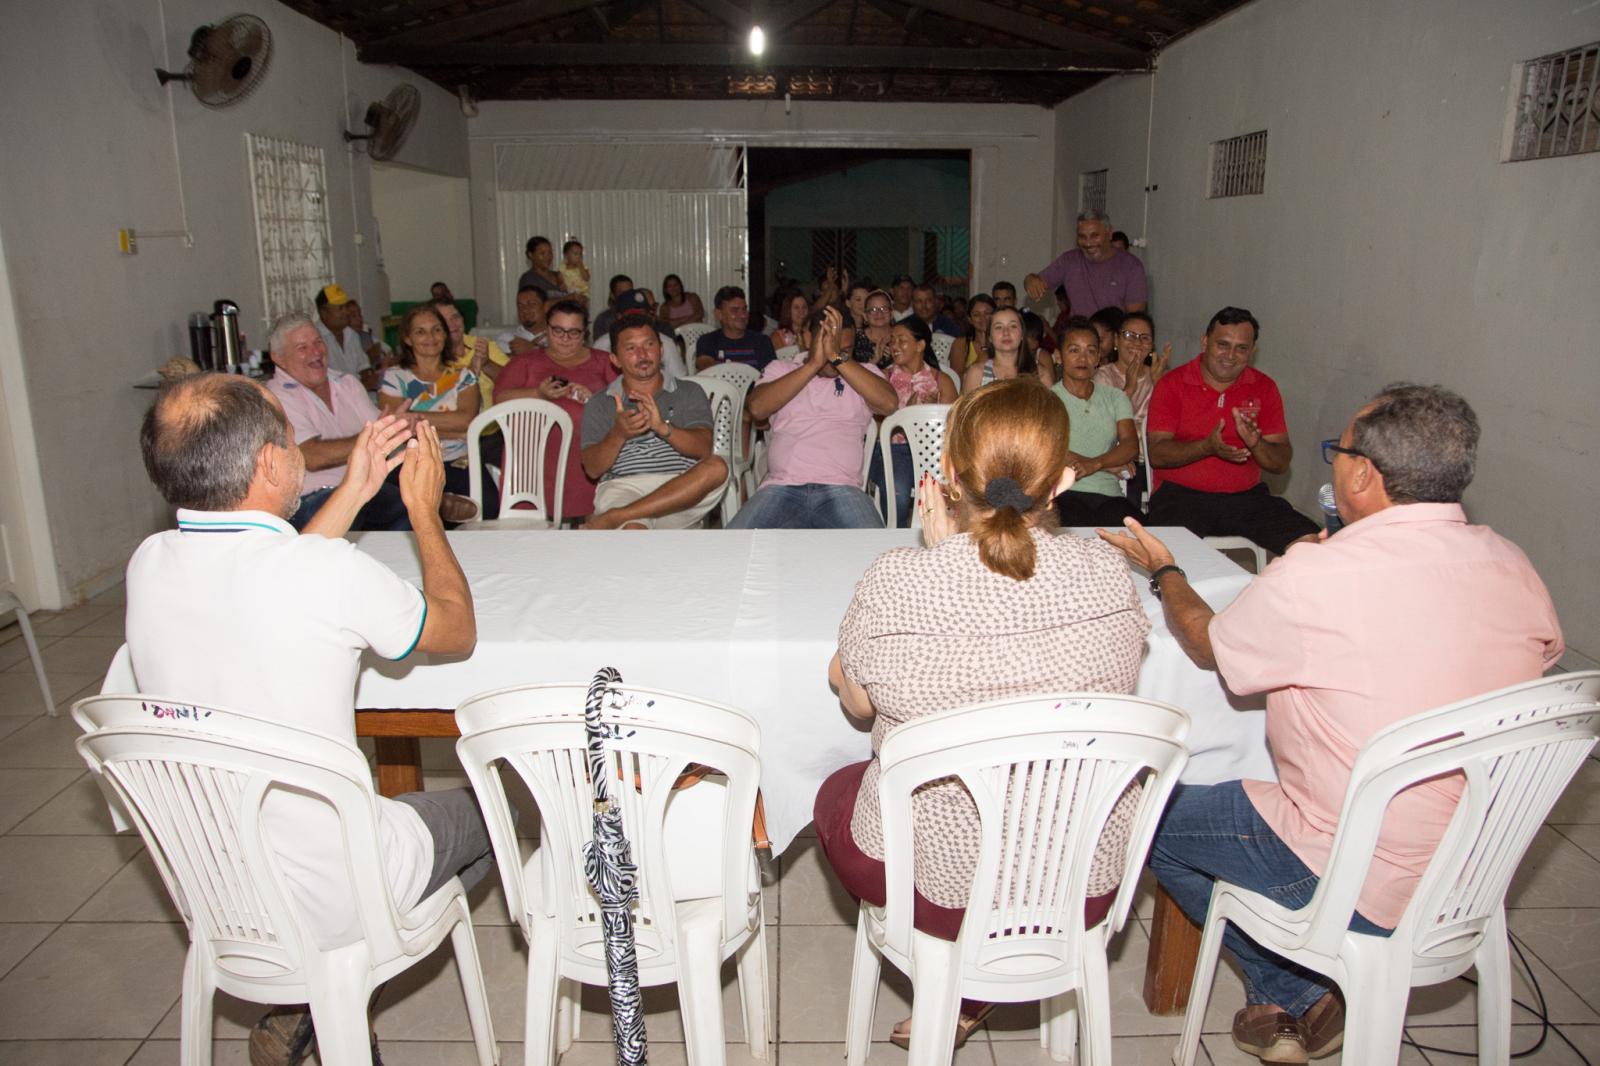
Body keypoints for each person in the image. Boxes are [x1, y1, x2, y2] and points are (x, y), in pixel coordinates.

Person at [1099, 383, 1563, 1064]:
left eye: (1339, 451)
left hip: (1348, 870)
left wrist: (1165, 569)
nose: (1334, 464)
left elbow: (1209, 645)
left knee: (1140, 814)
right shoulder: (1512, 563)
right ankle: (1303, 992)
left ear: (1365, 475)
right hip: (1472, 867)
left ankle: (1282, 984)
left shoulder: (1319, 576)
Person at [129, 373, 493, 1065]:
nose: (301, 451)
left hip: (220, 882)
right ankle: (333, 1006)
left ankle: (307, 1009)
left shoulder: (150, 566)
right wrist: (422, 510)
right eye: (290, 438)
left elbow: (274, 571)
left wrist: (354, 488)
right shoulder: (327, 578)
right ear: (269, 463)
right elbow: (456, 631)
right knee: (497, 809)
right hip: (337, 887)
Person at [817, 377, 1152, 1050]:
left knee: (834, 788)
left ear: (947, 474)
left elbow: (856, 703)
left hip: (937, 878)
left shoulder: (899, 579)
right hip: (1079, 874)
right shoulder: (1110, 575)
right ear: (1060, 481)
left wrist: (940, 555)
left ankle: (957, 984)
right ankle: (976, 990)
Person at [1145, 307, 1320, 555]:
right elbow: (1157, 454)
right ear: (1205, 342)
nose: (1230, 355)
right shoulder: (1172, 383)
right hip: (1180, 497)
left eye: (1241, 348)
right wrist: (1208, 447)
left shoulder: (1264, 387)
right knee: (1165, 555)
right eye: (1223, 344)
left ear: (1253, 351)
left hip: (1245, 497)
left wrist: (1256, 443)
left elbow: (1280, 463)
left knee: (1310, 542)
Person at [728, 307, 897, 529]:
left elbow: (889, 404)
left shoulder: (863, 372)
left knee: (878, 557)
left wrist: (837, 356)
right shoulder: (781, 369)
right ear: (809, 338)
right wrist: (813, 365)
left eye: (844, 350)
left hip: (842, 489)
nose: (833, 358)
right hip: (781, 487)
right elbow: (757, 408)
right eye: (828, 346)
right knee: (730, 551)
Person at [265, 313, 410, 531]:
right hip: (309, 500)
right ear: (279, 358)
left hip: (361, 487)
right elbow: (312, 456)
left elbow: (384, 435)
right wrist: (377, 435)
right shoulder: (274, 396)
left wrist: (403, 429)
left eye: (318, 342)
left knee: (410, 501)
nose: (315, 352)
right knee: (352, 505)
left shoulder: (347, 382)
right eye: (302, 348)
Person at [581, 316, 727, 529]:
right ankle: (628, 516)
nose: (642, 355)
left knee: (717, 467)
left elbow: (704, 448)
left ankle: (616, 517)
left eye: (649, 345)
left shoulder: (688, 391)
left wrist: (663, 428)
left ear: (661, 350)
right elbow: (592, 469)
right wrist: (619, 434)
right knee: (634, 531)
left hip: (681, 490)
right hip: (625, 487)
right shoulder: (601, 401)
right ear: (615, 359)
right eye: (631, 348)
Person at [493, 299, 617, 523]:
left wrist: (594, 401)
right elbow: (499, 401)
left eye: (574, 333)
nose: (565, 339)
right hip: (534, 461)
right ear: (547, 329)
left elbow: (624, 404)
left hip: (587, 459)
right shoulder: (525, 362)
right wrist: (537, 394)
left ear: (585, 333)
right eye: (558, 331)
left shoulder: (603, 362)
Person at [379, 304, 493, 519]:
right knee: (402, 507)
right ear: (407, 338)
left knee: (489, 507)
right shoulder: (394, 378)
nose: (430, 337)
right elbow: (397, 426)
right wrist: (454, 430)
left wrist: (414, 418)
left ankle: (443, 505)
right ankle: (441, 505)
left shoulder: (463, 377)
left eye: (436, 329)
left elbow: (467, 422)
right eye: (420, 331)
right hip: (412, 462)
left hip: (458, 462)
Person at [1050, 317, 1140, 527]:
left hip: (1109, 494)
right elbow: (1049, 450)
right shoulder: (1047, 399)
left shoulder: (1115, 397)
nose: (1083, 358)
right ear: (1058, 356)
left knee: (1139, 532)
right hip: (1063, 493)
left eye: (1091, 351)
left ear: (1099, 357)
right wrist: (1108, 465)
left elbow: (1130, 445)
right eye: (1074, 350)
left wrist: (1095, 464)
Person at [867, 315, 957, 526]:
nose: (894, 346)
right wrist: (906, 414)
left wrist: (933, 414)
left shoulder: (940, 380)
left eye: (901, 340)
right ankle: (895, 537)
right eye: (892, 340)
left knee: (946, 491)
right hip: (893, 450)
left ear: (920, 345)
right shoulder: (884, 377)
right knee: (898, 491)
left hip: (934, 452)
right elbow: (874, 426)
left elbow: (954, 426)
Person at [1095, 310, 1172, 506]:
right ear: (1116, 340)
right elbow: (1101, 422)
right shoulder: (1103, 376)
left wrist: (1159, 385)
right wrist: (1128, 388)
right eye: (1129, 335)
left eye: (1144, 338)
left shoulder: (1159, 376)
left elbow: (1171, 421)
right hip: (1115, 457)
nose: (1137, 343)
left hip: (1151, 458)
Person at [1024, 210, 1149, 317]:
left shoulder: (1131, 267)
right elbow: (1037, 281)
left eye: (1094, 236)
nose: (1088, 243)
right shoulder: (1069, 261)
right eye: (1082, 237)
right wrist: (1030, 280)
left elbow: (1134, 321)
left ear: (1109, 233)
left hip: (1114, 342)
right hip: (1079, 340)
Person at [592, 290, 689, 379]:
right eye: (631, 315)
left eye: (641, 314)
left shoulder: (665, 342)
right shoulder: (602, 345)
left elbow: (679, 379)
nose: (636, 320)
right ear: (619, 316)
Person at [434, 297, 508, 413]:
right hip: (454, 428)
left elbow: (514, 381)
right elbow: (437, 403)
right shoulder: (430, 356)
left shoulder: (482, 345)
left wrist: (487, 364)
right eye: (443, 320)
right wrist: (471, 373)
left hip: (493, 426)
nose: (452, 324)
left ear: (463, 319)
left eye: (455, 317)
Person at [960, 306, 1054, 391]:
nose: (1006, 332)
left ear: (1022, 334)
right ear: (990, 337)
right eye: (998, 327)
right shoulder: (977, 374)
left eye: (1013, 326)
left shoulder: (1040, 375)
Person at [694, 286, 777, 372]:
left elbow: (772, 375)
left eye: (744, 310)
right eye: (735, 311)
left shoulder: (762, 341)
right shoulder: (707, 341)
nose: (743, 315)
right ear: (719, 314)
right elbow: (707, 370)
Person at [312, 284, 378, 383]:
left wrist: (370, 375)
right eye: (340, 308)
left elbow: (363, 367)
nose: (346, 312)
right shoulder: (314, 340)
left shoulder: (352, 335)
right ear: (323, 313)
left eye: (346, 307)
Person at [948, 293, 994, 376]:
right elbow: (957, 381)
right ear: (970, 319)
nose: (983, 318)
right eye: (977, 315)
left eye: (987, 313)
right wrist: (979, 359)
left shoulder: (1003, 342)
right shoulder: (961, 344)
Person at [517, 236, 571, 306]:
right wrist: (567, 299)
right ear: (531, 255)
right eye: (542, 253)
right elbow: (535, 307)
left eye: (550, 253)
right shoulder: (529, 279)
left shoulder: (560, 275)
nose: (548, 257)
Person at [498, 284, 550, 356]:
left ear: (546, 307)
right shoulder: (508, 339)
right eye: (520, 306)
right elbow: (506, 365)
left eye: (531, 304)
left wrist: (534, 349)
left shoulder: (560, 336)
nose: (524, 310)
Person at [852, 288, 896, 365]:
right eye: (873, 310)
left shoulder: (902, 337)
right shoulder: (854, 340)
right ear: (865, 316)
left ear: (891, 313)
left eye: (884, 309)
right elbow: (839, 363)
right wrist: (874, 361)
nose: (879, 313)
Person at [591, 273, 634, 341]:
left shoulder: (641, 315)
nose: (627, 296)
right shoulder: (603, 320)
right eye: (622, 293)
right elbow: (600, 347)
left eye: (630, 292)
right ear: (612, 295)